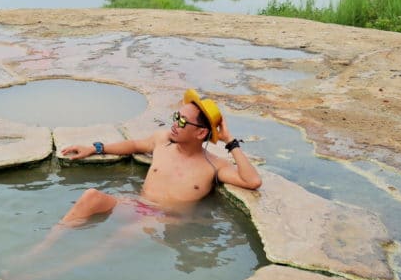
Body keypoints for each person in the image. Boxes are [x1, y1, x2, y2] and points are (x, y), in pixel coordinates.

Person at [57, 88, 262, 226]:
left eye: (182, 121)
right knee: (91, 196)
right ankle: (45, 247)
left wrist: (230, 140)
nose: (175, 123)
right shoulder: (162, 141)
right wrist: (95, 148)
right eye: (176, 117)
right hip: (136, 204)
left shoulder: (214, 166)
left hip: (164, 218)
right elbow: (135, 145)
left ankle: (49, 273)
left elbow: (251, 181)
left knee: (118, 238)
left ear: (200, 133)